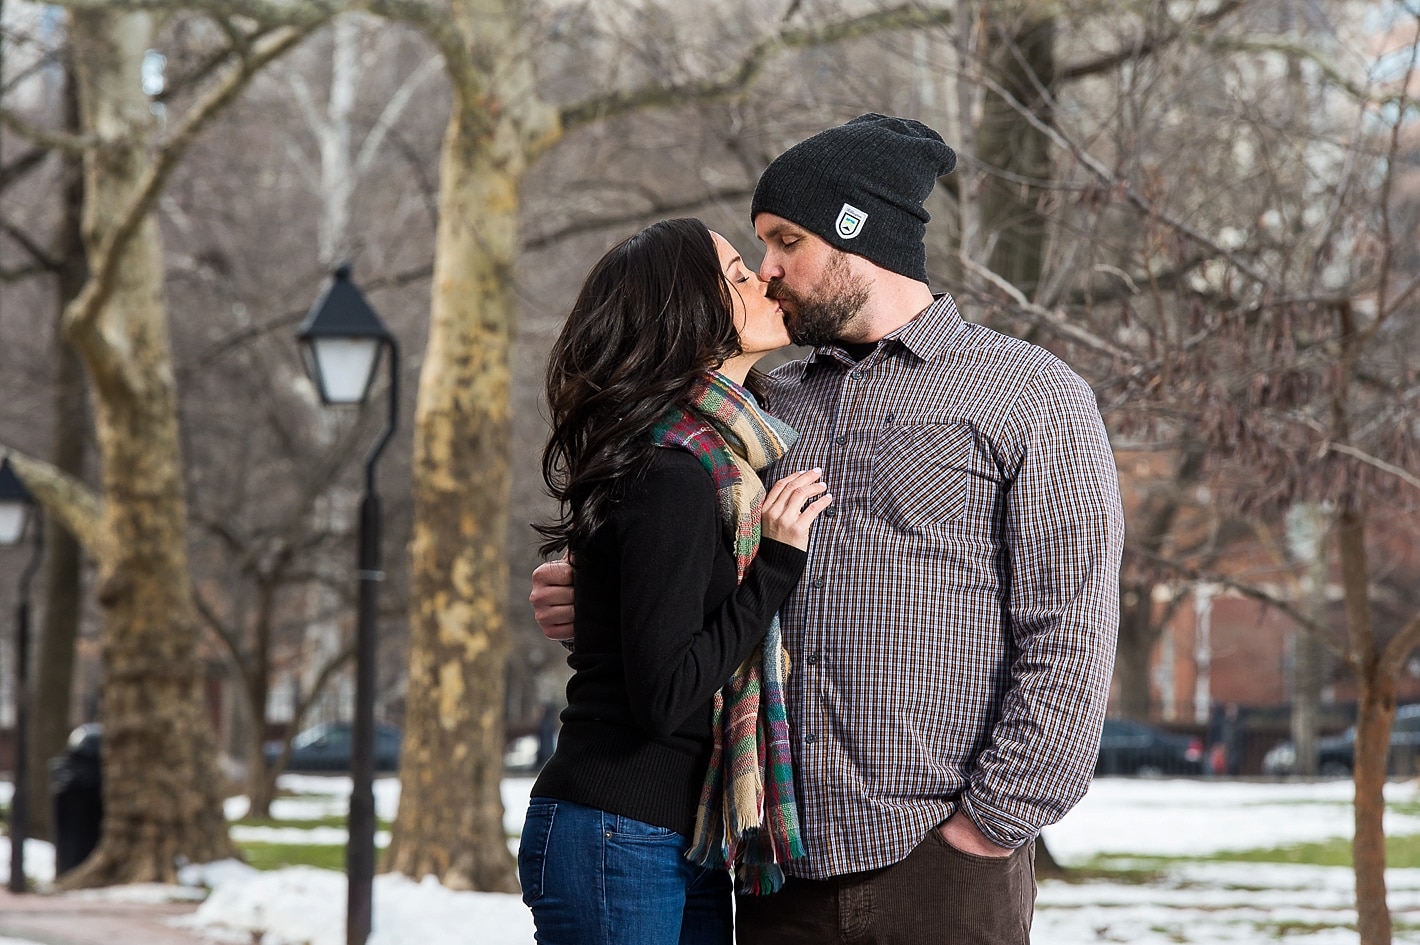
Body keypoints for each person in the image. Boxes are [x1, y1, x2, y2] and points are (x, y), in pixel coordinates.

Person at [531, 114, 1126, 944]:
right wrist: (595, 588)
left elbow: (1071, 632)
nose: (767, 270)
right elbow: (676, 550)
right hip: (779, 867)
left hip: (941, 862)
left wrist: (989, 824)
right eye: (758, 247)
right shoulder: (767, 405)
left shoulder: (1031, 397)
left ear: (859, 236)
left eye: (786, 240)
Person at [518, 217, 834, 945]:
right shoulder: (673, 471)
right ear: (687, 313)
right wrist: (777, 565)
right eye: (735, 276)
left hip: (669, 835)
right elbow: (664, 695)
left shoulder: (705, 459)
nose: (762, 278)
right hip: (617, 835)